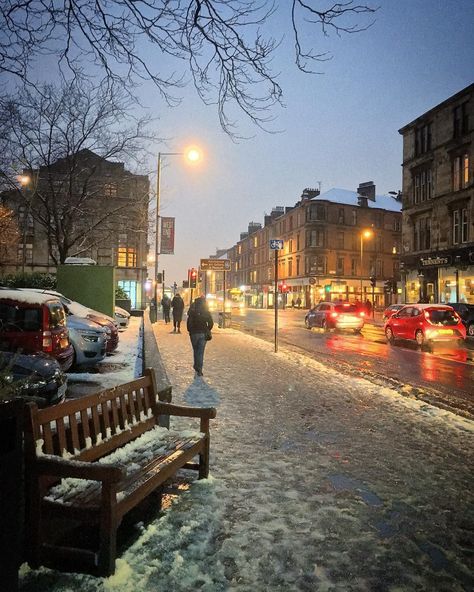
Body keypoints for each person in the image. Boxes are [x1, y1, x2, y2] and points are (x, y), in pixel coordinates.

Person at [187, 295, 214, 377]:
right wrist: (207, 329)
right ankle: (199, 369)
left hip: (194, 333)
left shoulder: (192, 310)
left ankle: (196, 366)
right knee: (201, 352)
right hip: (203, 333)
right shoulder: (206, 310)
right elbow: (211, 323)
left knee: (195, 350)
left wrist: (190, 330)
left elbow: (189, 322)